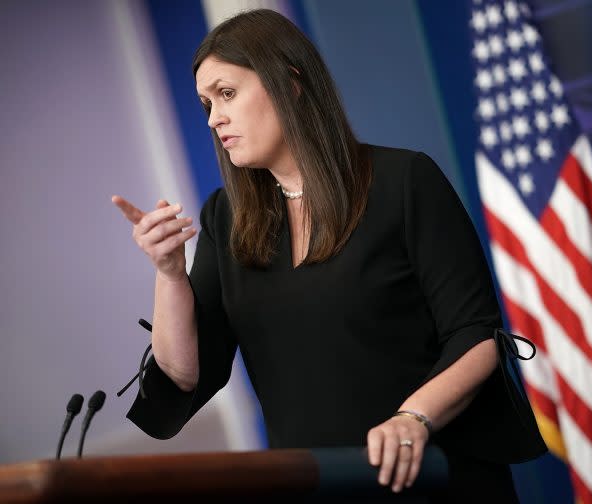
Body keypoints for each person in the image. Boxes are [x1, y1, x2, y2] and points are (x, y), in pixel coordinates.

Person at [112, 8, 546, 502]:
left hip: (435, 478)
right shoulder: (225, 219)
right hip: (320, 486)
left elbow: (475, 335)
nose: (215, 119)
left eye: (227, 94)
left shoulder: (404, 182)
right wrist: (170, 275)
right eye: (206, 104)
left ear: (290, 84)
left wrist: (413, 418)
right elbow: (183, 375)